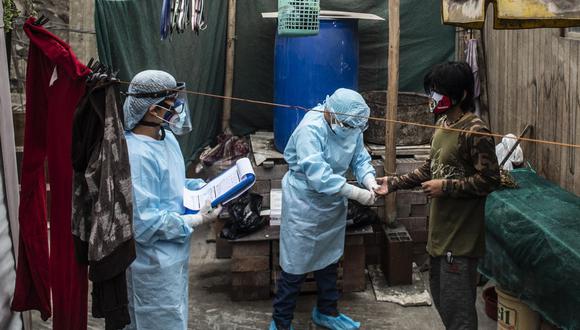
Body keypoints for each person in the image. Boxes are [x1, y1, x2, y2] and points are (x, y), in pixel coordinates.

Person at [375, 62, 501, 330]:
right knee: (443, 304)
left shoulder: (475, 131)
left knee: (459, 316)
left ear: (462, 95)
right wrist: (394, 183)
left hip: (461, 239)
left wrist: (447, 187)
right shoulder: (443, 123)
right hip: (438, 236)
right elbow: (430, 168)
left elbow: (491, 180)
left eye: (439, 91)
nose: (433, 97)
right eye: (432, 90)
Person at [122, 70, 222, 330]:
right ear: (153, 109)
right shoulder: (137, 154)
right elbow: (144, 223)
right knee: (153, 320)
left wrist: (202, 187)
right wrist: (195, 219)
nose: (179, 109)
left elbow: (171, 182)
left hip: (174, 258)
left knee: (174, 316)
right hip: (151, 264)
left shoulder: (166, 139)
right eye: (172, 103)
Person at [270, 88, 378, 330]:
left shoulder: (351, 124)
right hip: (304, 202)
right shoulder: (311, 129)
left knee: (329, 258)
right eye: (349, 127)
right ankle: (281, 321)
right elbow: (319, 177)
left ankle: (327, 311)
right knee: (295, 265)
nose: (352, 132)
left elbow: (359, 158)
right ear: (333, 114)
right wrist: (356, 193)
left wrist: (369, 180)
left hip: (331, 204)